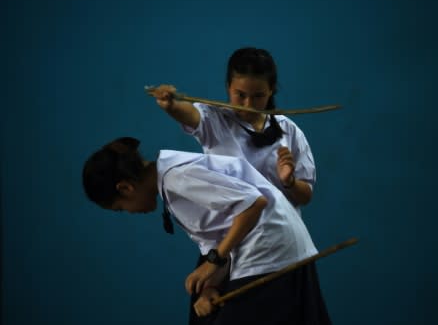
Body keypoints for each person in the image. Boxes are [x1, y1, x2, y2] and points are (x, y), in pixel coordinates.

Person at [82, 137, 331, 325]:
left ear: (125, 188)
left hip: (272, 250)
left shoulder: (177, 176)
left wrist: (213, 260)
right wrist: (212, 287)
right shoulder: (169, 183)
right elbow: (224, 237)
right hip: (268, 250)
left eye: (120, 208)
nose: (128, 213)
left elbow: (254, 204)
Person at [148, 47, 316, 213]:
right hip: (235, 232)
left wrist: (289, 181)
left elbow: (305, 196)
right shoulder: (213, 119)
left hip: (283, 234)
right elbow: (188, 114)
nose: (248, 105)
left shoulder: (290, 131)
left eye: (258, 96)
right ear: (228, 87)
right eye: (240, 95)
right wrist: (171, 105)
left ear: (271, 90)